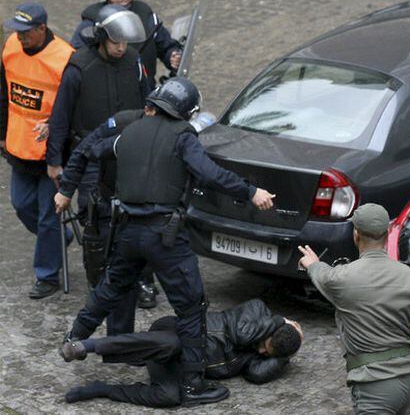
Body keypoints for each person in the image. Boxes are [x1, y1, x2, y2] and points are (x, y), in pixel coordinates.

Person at [55, 77, 276, 406]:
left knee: (110, 288)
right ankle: (192, 385)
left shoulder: (127, 133)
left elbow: (92, 149)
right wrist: (250, 192)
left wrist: (69, 187)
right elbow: (208, 173)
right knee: (191, 306)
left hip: (127, 231)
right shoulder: (183, 136)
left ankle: (75, 338)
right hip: (165, 236)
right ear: (187, 112)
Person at [46, 4, 156, 310]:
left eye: (125, 43)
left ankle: (143, 280)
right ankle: (101, 282)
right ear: (101, 38)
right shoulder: (78, 67)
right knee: (95, 221)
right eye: (115, 42)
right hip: (91, 157)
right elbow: (60, 115)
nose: (121, 48)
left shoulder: (134, 61)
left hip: (130, 153)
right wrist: (55, 160)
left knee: (140, 217)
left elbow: (149, 100)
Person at [60, 299, 303, 408]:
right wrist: (280, 321)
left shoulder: (258, 356)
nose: (260, 351)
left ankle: (103, 389)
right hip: (174, 334)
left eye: (266, 353)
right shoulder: (256, 310)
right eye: (265, 344)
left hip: (184, 366)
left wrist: (282, 354)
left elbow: (257, 376)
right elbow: (241, 334)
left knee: (170, 397)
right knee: (172, 344)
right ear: (272, 327)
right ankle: (89, 346)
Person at [298, 203, 410, 415]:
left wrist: (312, 264)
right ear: (388, 233)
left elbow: (321, 274)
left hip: (374, 385)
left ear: (356, 234)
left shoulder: (341, 278)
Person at [0, 2, 74, 299]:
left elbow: (70, 109)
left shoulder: (64, 58)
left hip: (51, 154)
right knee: (21, 205)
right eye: (16, 32)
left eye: (25, 32)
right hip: (19, 147)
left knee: (48, 216)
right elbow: (3, 93)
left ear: (42, 29)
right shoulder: (11, 48)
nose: (19, 37)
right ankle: (58, 240)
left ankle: (47, 275)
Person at [71, 0, 182, 90]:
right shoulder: (93, 21)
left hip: (144, 93)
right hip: (105, 92)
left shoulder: (146, 15)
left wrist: (172, 56)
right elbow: (76, 57)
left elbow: (165, 45)